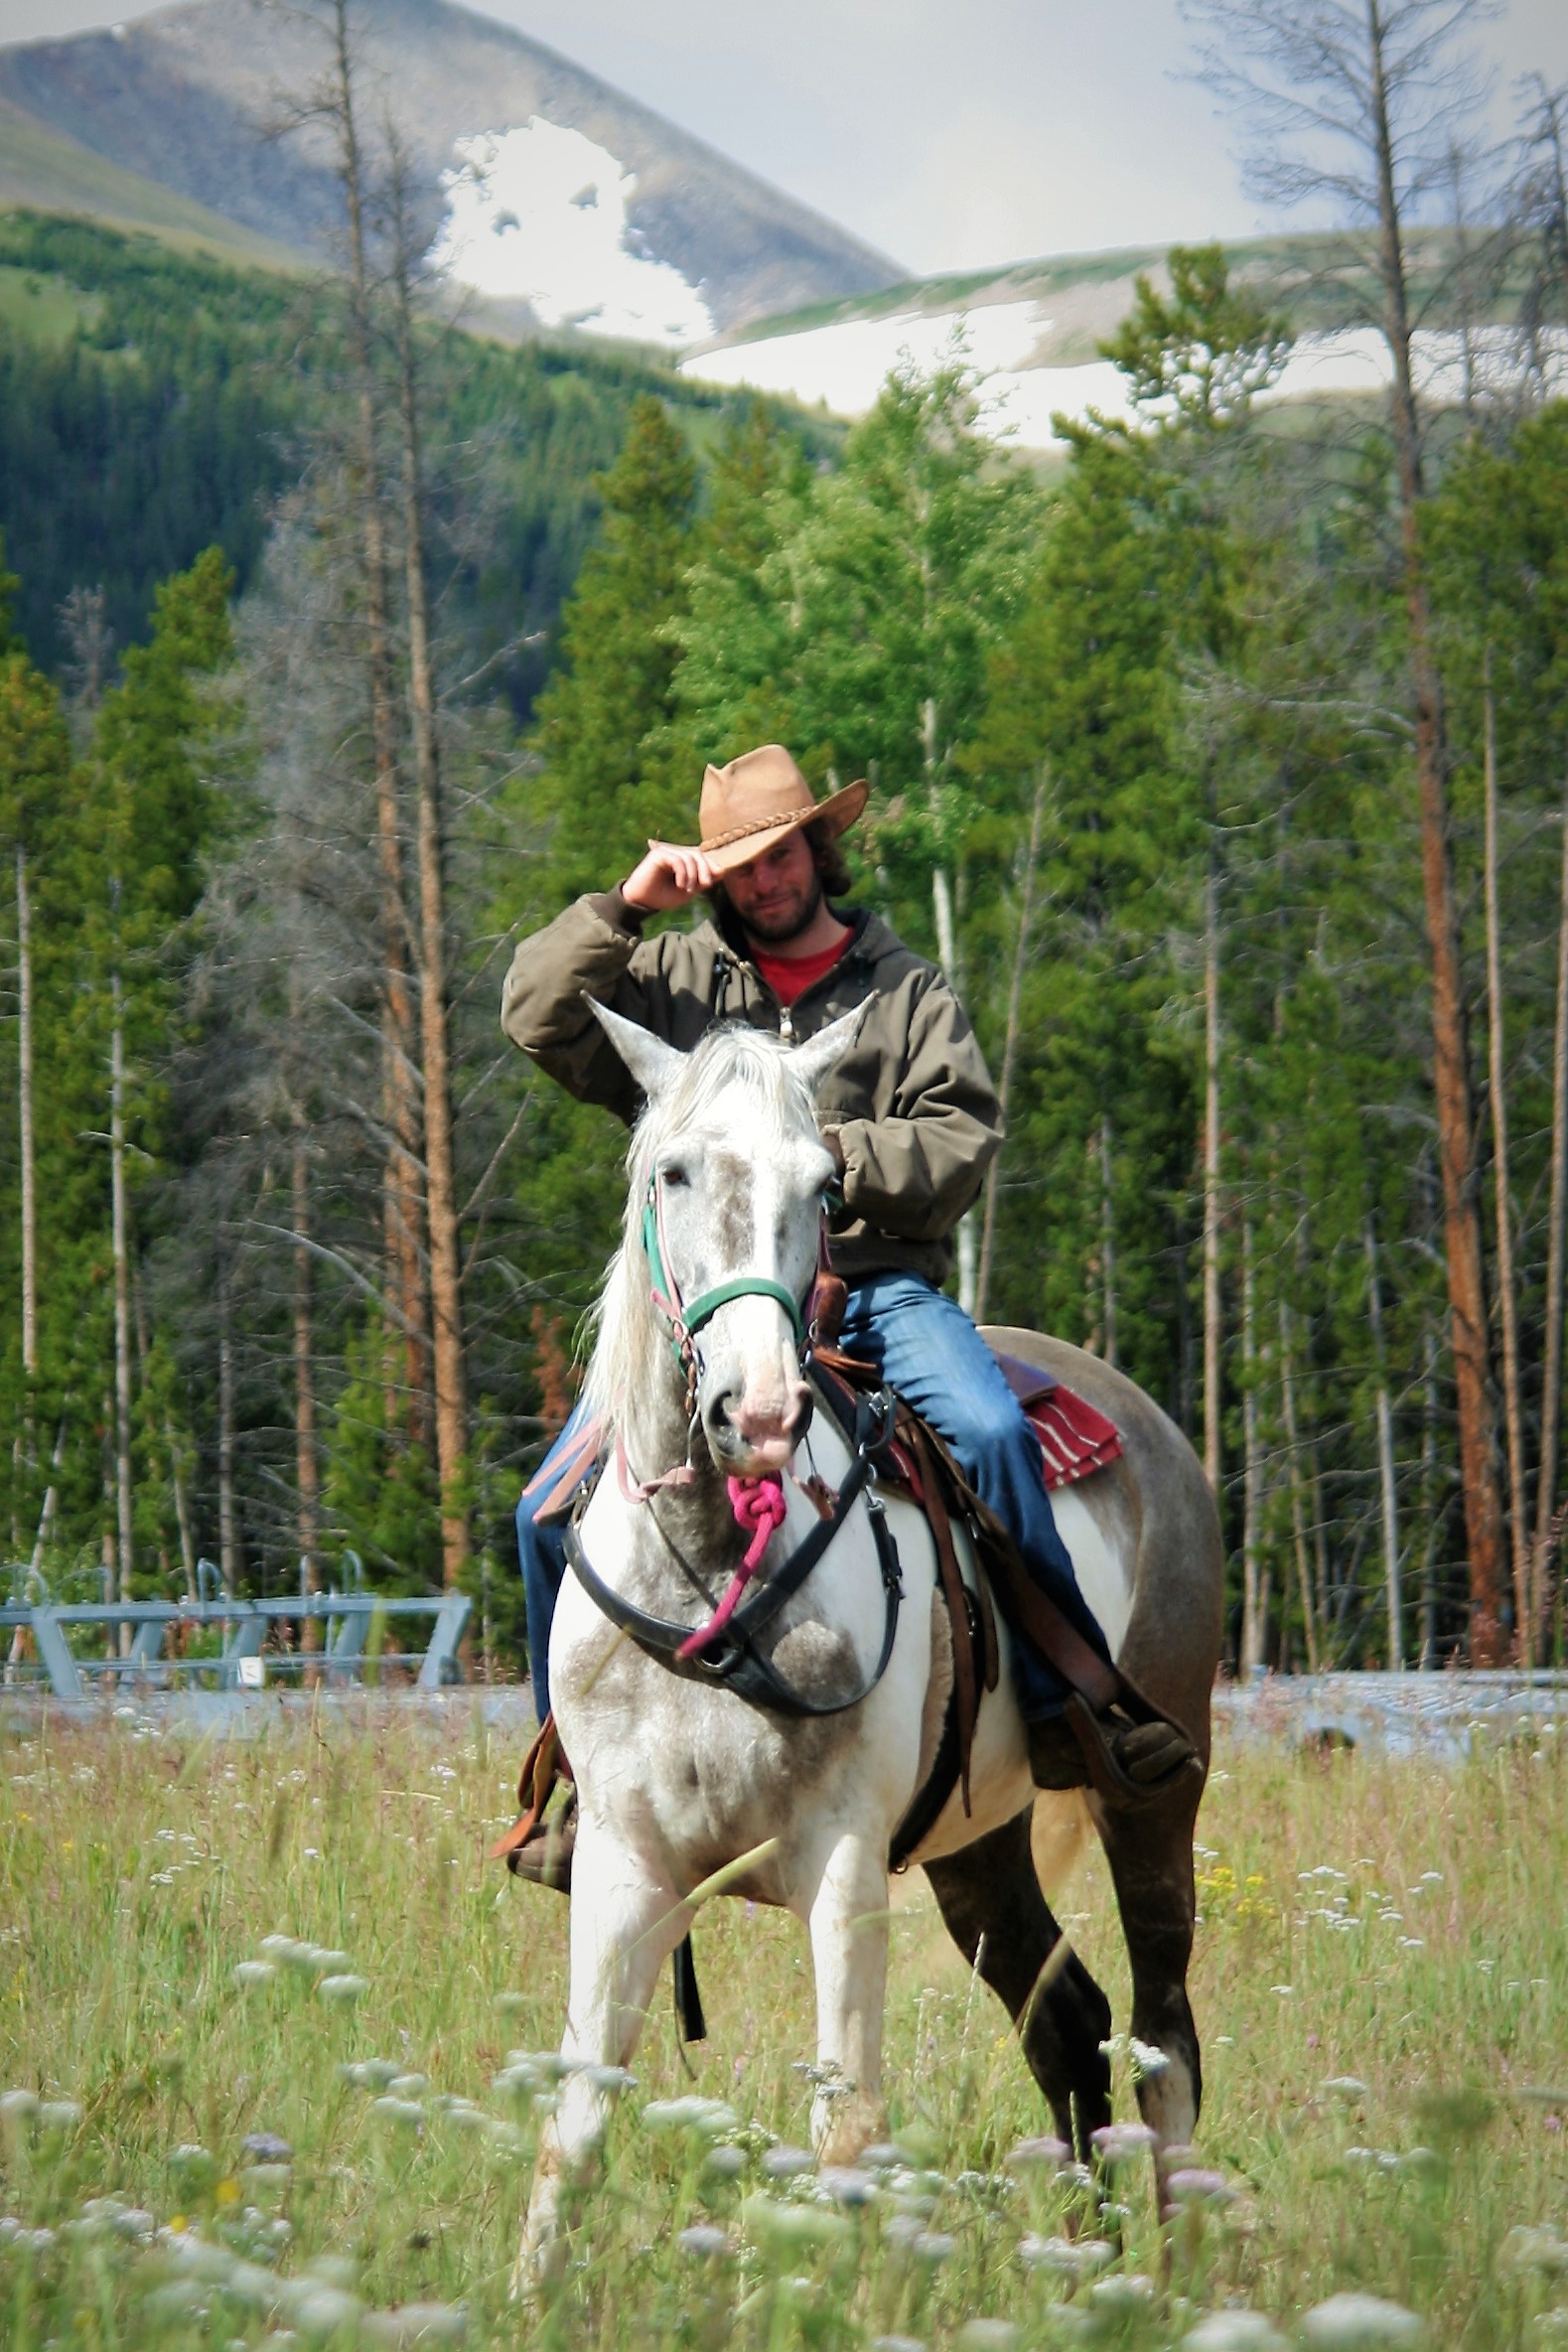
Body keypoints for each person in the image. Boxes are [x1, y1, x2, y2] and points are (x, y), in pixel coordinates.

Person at [500, 745, 1195, 1884]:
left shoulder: (904, 988)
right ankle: (577, 1789)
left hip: (872, 1286)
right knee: (541, 1513)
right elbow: (535, 1015)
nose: (763, 879)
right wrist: (624, 906)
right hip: (714, 1311)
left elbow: (959, 1138)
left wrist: (813, 1155)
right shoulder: (672, 978)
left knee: (988, 1431)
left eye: (778, 854)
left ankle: (1070, 1702)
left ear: (816, 849)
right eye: (738, 863)